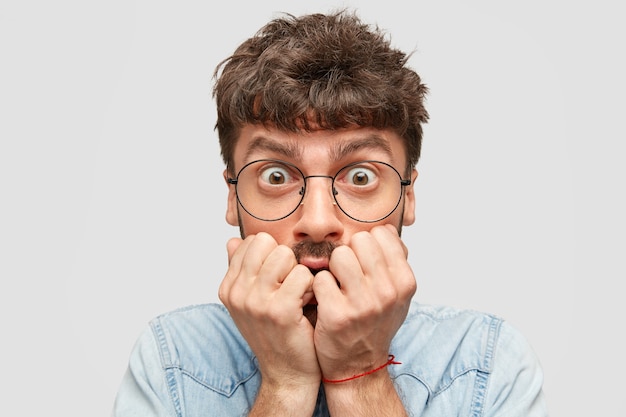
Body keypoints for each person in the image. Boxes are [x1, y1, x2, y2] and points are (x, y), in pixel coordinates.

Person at [111, 10, 548, 416]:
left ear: (408, 195)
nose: (318, 222)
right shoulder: (169, 358)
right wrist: (284, 384)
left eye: (360, 177)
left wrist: (361, 376)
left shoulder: (488, 363)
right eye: (277, 176)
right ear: (232, 195)